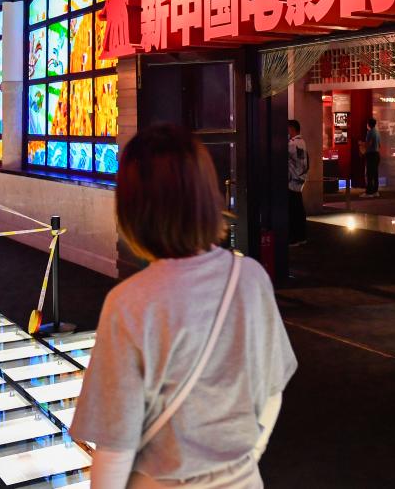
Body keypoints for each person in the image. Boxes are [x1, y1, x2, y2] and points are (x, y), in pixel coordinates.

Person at [71, 124, 297, 489]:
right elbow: (272, 391)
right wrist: (243, 462)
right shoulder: (250, 277)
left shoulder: (130, 303)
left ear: (133, 208)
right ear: (207, 195)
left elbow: (115, 445)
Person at [287, 119, 308, 247]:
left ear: (292, 129)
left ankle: (293, 238)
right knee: (299, 210)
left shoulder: (292, 144)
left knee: (292, 211)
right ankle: (302, 236)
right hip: (300, 180)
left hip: (291, 181)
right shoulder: (302, 142)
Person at [363, 117, 381, 198]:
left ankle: (369, 192)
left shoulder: (369, 132)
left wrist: (362, 144)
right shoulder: (377, 132)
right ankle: (375, 191)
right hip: (377, 154)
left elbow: (368, 144)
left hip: (371, 154)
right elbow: (379, 145)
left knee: (369, 174)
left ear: (369, 124)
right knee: (375, 174)